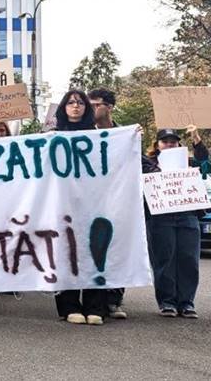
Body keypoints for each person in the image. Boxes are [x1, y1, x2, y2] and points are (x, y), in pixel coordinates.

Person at [51, 90, 106, 325]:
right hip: (63, 204)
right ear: (63, 107)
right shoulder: (52, 136)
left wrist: (131, 137)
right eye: (71, 102)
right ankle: (69, 305)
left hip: (93, 203)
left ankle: (96, 305)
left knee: (95, 251)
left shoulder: (99, 136)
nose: (75, 106)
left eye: (80, 102)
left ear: (86, 108)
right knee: (66, 253)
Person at [142, 126, 207, 319]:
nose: (170, 145)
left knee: (189, 259)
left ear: (179, 144)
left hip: (188, 215)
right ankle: (167, 302)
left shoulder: (188, 164)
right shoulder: (149, 163)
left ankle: (186, 302)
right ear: (157, 145)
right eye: (165, 141)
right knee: (164, 259)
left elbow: (204, 162)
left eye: (173, 141)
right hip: (160, 217)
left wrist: (196, 138)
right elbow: (134, 160)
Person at [87, 87, 127, 319]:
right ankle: (96, 301)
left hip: (118, 199)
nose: (91, 108)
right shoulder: (83, 133)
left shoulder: (125, 135)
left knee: (117, 247)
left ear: (109, 107)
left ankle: (114, 298)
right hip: (92, 200)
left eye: (96, 104)